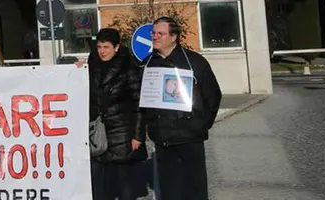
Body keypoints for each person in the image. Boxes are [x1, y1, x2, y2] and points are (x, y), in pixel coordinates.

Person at [142, 16, 222, 200]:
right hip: (163, 140)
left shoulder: (194, 62)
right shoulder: (147, 64)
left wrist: (201, 125)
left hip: (189, 138)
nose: (155, 37)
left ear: (173, 37)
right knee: (169, 192)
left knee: (195, 190)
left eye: (160, 33)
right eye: (153, 33)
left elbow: (213, 96)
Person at [77, 28, 148, 200]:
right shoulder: (92, 64)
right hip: (98, 132)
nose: (102, 51)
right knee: (97, 182)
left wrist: (138, 135)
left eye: (106, 47)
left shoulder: (127, 67)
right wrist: (78, 70)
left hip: (122, 132)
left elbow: (139, 103)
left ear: (116, 47)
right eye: (99, 47)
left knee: (124, 182)